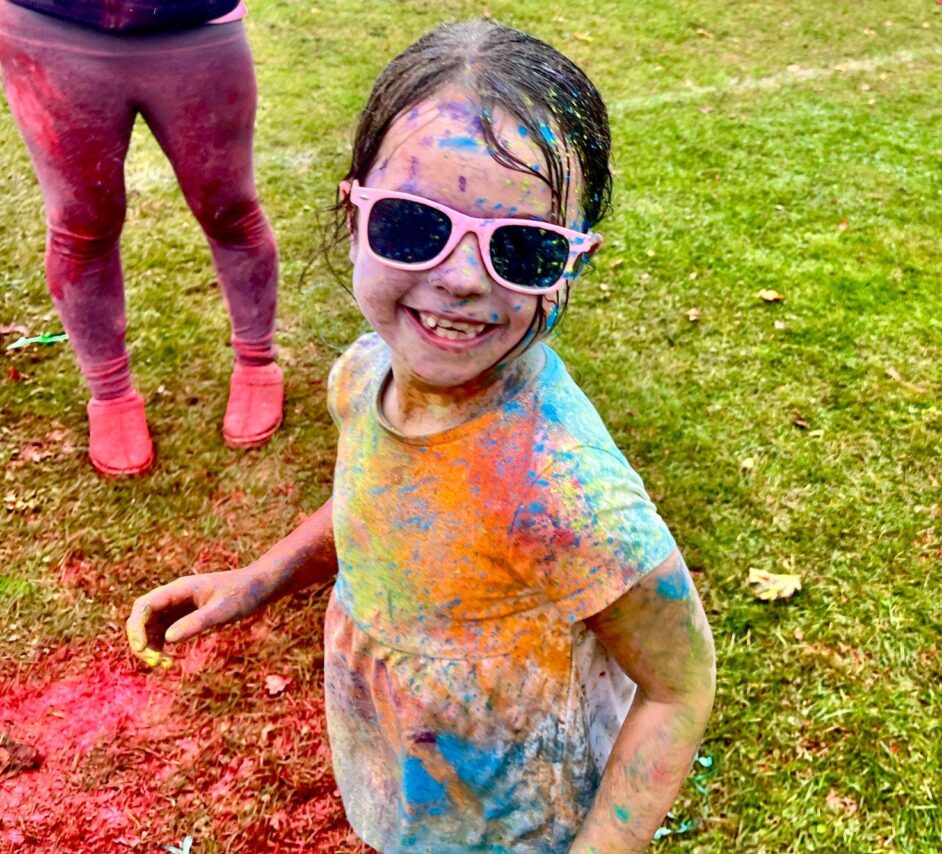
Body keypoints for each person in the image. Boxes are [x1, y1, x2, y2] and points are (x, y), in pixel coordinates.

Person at [126, 19, 716, 852]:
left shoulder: (563, 486)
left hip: (521, 816)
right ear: (355, 212)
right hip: (409, 764)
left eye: (525, 250)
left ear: (575, 263)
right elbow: (382, 502)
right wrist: (262, 577)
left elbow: (679, 689)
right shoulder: (364, 373)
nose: (465, 279)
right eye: (414, 225)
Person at [0, 0, 283, 477]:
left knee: (229, 208)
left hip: (195, 24)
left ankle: (257, 362)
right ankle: (110, 393)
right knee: (81, 224)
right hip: (48, 26)